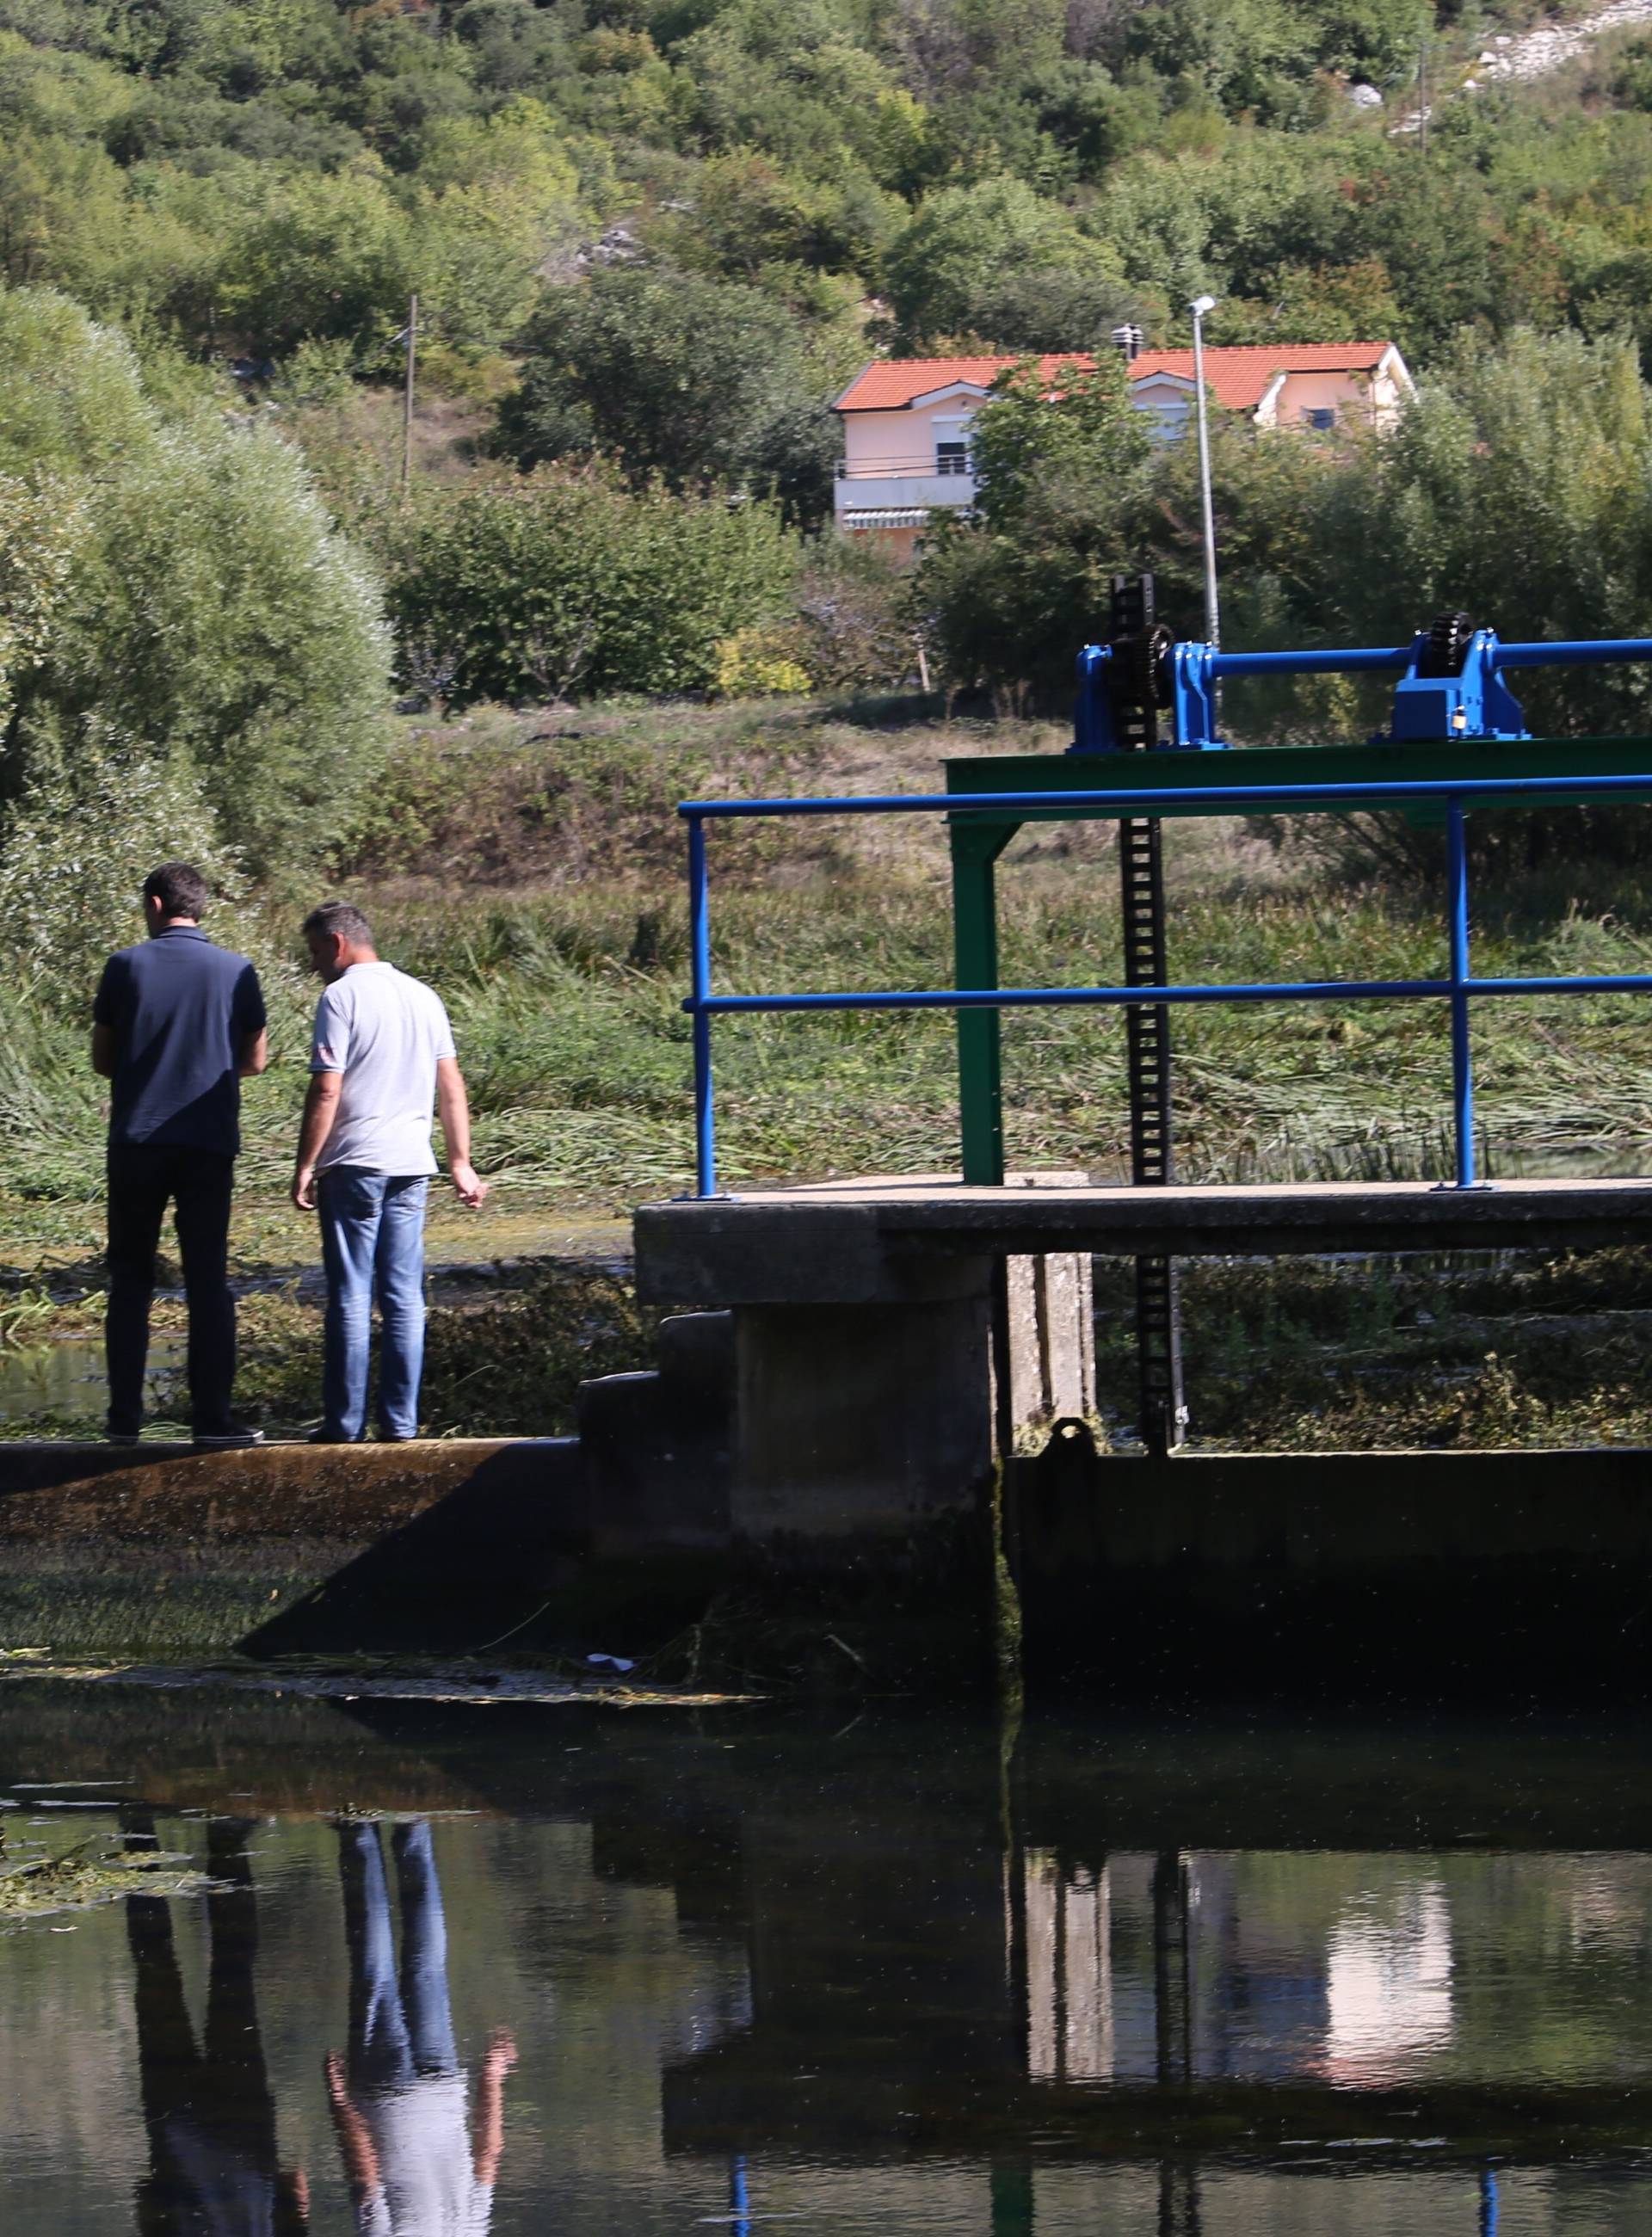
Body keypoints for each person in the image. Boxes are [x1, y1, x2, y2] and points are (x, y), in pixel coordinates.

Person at [293, 902, 486, 1444]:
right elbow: (451, 1086)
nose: (315, 965)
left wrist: (306, 1164)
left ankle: (344, 1424)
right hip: (410, 1166)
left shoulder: (341, 996)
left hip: (353, 1161)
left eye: (314, 953)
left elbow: (327, 1087)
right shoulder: (424, 997)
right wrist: (460, 1162)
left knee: (352, 1295)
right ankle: (400, 1423)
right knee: (403, 1297)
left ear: (337, 943)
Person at [93, 862, 268, 1448]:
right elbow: (256, 1058)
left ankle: (123, 1419)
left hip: (138, 1141)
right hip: (207, 1141)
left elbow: (103, 1057)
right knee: (207, 1280)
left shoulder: (124, 967)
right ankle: (212, 1418)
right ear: (199, 907)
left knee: (131, 1279)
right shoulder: (237, 970)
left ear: (157, 904)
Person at [328, 1819, 517, 2237]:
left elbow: (488, 2156)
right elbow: (367, 2177)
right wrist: (340, 2106)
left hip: (444, 2090)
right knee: (374, 1974)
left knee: (427, 1969)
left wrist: (493, 2074)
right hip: (387, 2102)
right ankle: (356, 1831)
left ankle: (414, 1827)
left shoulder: (472, 2233)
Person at [125, 1812, 310, 2236]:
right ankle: (138, 1831)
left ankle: (225, 1843)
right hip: (176, 2126)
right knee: (156, 1970)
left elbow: (295, 2205)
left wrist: (286, 2192)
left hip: (245, 2133)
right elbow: (148, 2202)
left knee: (233, 1975)